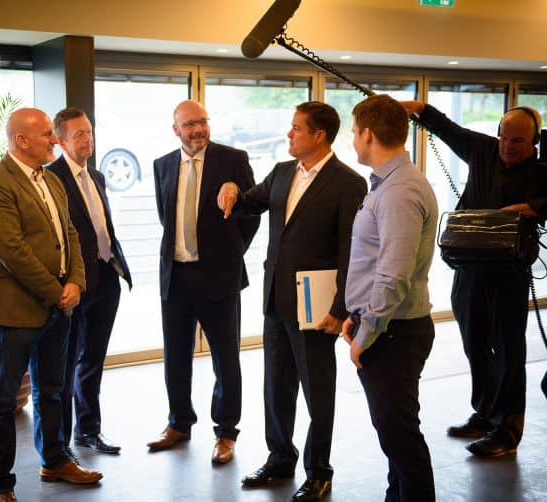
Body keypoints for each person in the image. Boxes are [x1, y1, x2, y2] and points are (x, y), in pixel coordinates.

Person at [218, 101, 366, 500]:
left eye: (296, 128)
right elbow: (249, 202)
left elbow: (350, 251)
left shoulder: (348, 183)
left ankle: (319, 470)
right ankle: (280, 458)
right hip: (275, 301)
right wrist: (233, 188)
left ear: (319, 136)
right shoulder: (283, 172)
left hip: (317, 307)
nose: (289, 134)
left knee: (319, 392)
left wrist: (340, 309)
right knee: (276, 389)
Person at [400, 100, 547, 457]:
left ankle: (508, 430)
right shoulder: (481, 149)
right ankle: (484, 413)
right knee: (474, 344)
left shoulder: (543, 171)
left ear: (534, 142)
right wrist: (409, 106)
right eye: (504, 138)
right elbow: (445, 127)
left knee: (510, 351)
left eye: (517, 141)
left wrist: (534, 207)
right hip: (469, 268)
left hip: (509, 275)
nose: (508, 147)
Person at [0, 107, 102, 502]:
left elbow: (71, 234)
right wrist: (56, 290)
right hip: (17, 310)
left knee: (53, 390)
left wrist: (76, 280)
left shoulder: (51, 180)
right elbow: (12, 251)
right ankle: (0, 484)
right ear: (21, 141)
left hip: (58, 306)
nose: (55, 139)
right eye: (48, 134)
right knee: (2, 399)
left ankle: (56, 460)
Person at [147, 99, 260, 464]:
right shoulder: (162, 165)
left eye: (203, 122)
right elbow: (166, 217)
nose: (198, 129)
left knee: (225, 359)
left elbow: (251, 212)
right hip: (175, 277)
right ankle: (178, 422)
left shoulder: (233, 160)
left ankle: (226, 433)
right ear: (175, 129)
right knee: (175, 356)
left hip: (219, 277)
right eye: (189, 124)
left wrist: (233, 250)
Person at [342, 94, 438, 501]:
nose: (352, 141)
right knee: (395, 443)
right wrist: (356, 315)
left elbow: (393, 275)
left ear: (367, 134)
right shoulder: (388, 183)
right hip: (388, 330)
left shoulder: (399, 191)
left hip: (393, 335)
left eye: (352, 133)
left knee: (402, 443)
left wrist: (367, 332)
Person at [47, 107, 131, 455]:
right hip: (75, 285)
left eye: (90, 132)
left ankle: (89, 430)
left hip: (107, 277)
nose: (87, 139)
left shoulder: (96, 176)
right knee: (66, 366)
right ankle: (61, 444)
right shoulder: (51, 178)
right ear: (61, 140)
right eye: (79, 134)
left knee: (93, 359)